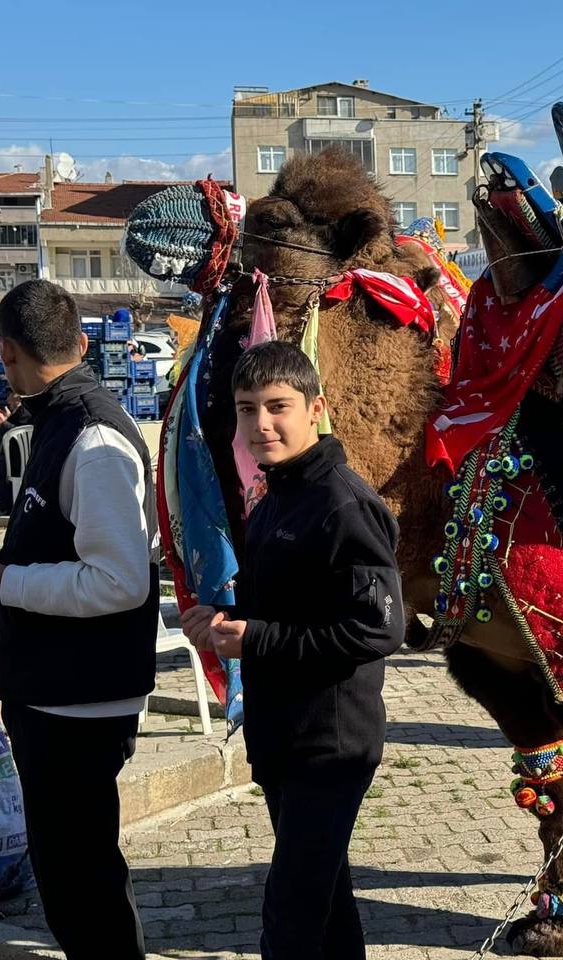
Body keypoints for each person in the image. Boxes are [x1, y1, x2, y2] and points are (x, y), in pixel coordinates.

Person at [0, 279, 157, 960]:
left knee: (79, 882)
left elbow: (118, 581)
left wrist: (5, 576)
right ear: (83, 343)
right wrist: (6, 557)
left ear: (5, 352)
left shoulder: (90, 435)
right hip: (62, 691)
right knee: (74, 878)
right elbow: (74, 544)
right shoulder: (62, 418)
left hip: (79, 700)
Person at [182, 341, 404, 960]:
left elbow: (378, 629)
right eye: (246, 408)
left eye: (277, 407)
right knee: (325, 900)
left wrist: (256, 637)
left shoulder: (342, 502)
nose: (261, 424)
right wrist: (230, 620)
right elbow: (293, 607)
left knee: (291, 913)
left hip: (329, 743)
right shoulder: (279, 491)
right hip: (282, 734)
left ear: (316, 409)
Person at [0, 393, 31, 515]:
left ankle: (9, 508)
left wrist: (3, 423)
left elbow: (21, 432)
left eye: (9, 394)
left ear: (18, 396)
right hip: (20, 459)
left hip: (21, 460)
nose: (7, 399)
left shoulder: (26, 410)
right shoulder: (19, 411)